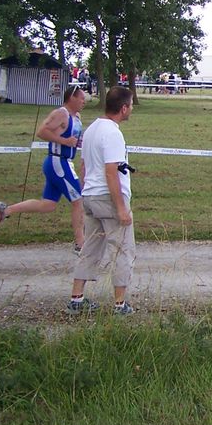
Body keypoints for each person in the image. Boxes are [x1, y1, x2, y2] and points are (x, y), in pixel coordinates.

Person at [0, 84, 88, 251]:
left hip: (64, 162)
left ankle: (5, 210)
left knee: (48, 205)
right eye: (81, 98)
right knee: (78, 200)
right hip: (58, 162)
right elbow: (42, 132)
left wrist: (78, 143)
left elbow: (73, 138)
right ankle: (81, 243)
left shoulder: (77, 116)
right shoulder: (61, 113)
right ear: (72, 97)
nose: (84, 101)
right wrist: (64, 142)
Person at [68, 85, 137, 315]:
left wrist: (83, 190)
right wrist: (121, 209)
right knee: (122, 249)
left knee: (90, 247)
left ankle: (76, 299)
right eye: (131, 106)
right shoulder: (113, 133)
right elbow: (111, 172)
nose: (131, 111)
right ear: (124, 108)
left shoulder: (91, 129)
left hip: (89, 196)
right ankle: (120, 304)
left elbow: (84, 165)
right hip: (108, 197)